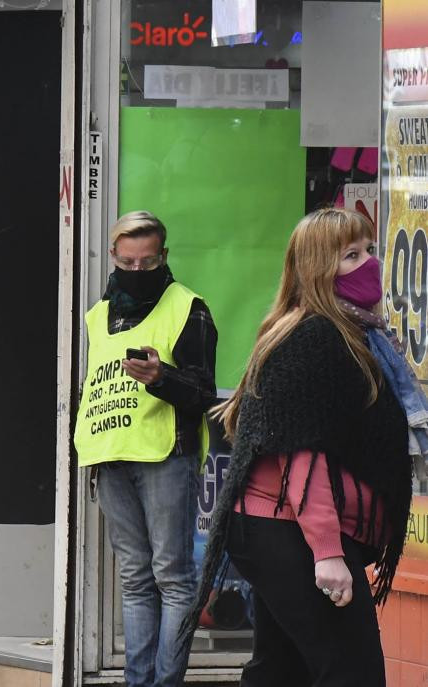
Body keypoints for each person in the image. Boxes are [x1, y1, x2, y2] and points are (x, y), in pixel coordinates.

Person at [185, 208, 414, 686]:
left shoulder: (359, 337)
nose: (367, 263)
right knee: (353, 673)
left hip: (282, 530)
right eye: (350, 255)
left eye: (369, 251)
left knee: (279, 671)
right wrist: (327, 552)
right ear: (318, 269)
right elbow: (303, 454)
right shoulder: (314, 337)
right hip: (290, 530)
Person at [72, 211, 217, 687]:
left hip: (165, 458)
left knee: (172, 578)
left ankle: (165, 682)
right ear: (113, 257)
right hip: (111, 456)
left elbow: (204, 394)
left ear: (164, 257)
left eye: (147, 262)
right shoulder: (97, 314)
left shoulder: (188, 307)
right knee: (135, 579)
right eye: (128, 263)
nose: (137, 271)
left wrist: (163, 378)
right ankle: (140, 682)